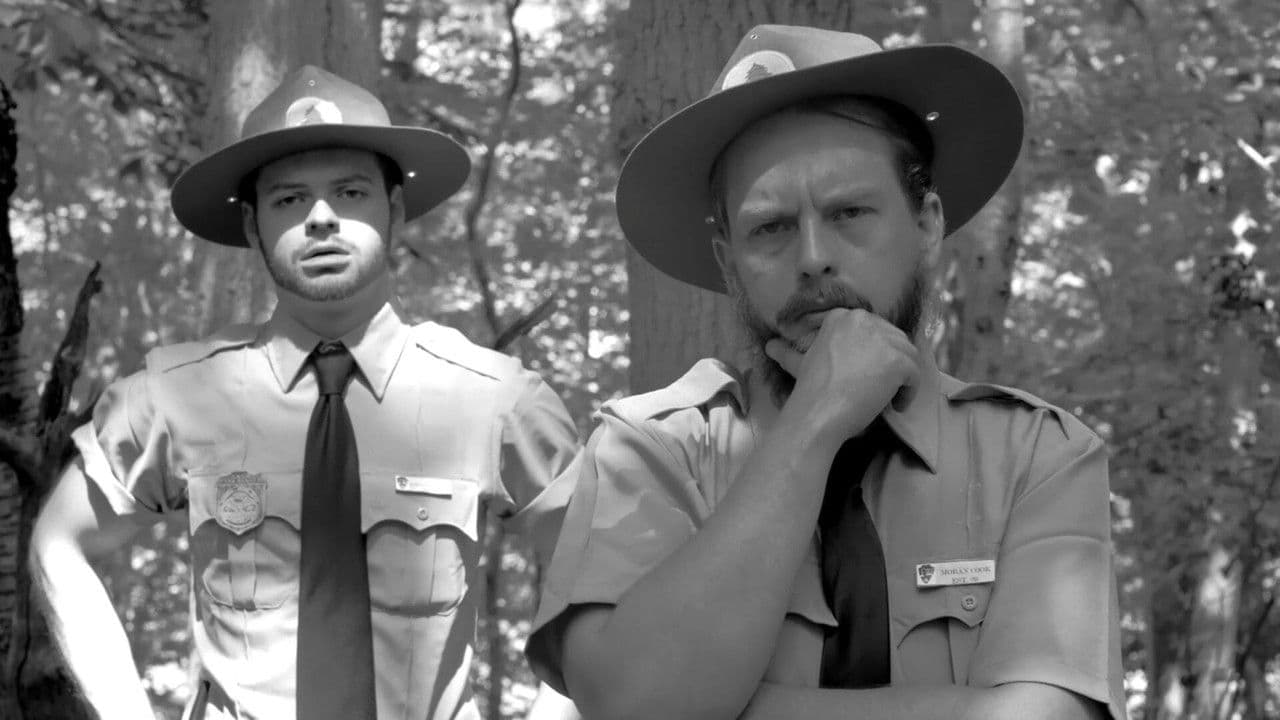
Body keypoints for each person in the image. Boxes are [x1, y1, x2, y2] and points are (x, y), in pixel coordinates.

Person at [526, 25, 1127, 720]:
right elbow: (631, 703)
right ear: (727, 260)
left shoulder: (1037, 456)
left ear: (927, 224)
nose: (813, 257)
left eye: (849, 213)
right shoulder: (650, 450)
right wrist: (814, 423)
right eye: (771, 227)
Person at [31, 65, 580, 720]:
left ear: (394, 209)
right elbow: (58, 541)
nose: (322, 218)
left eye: (350, 192)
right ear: (254, 226)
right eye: (290, 200)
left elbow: (601, 569)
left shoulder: (494, 399)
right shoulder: (175, 395)